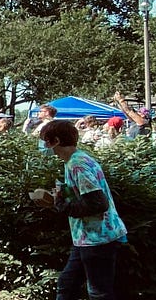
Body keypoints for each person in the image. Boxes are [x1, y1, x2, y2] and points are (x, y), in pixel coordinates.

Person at [28, 121, 127, 300]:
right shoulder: (74, 160)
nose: (43, 146)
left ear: (56, 141)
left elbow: (97, 203)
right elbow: (85, 195)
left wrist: (61, 205)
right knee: (67, 285)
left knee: (98, 293)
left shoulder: (77, 164)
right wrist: (60, 196)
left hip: (97, 238)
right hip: (86, 238)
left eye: (45, 141)